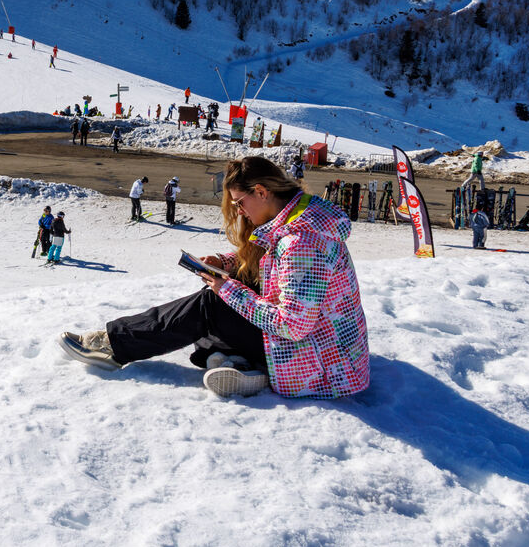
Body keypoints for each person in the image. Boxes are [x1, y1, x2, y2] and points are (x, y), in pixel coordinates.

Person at [59, 156, 370, 400]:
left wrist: (227, 290)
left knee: (212, 305)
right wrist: (226, 263)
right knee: (220, 300)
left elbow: (293, 325)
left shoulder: (300, 242)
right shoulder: (299, 218)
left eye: (240, 203)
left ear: (261, 192)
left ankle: (114, 345)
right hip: (329, 353)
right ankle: (240, 364)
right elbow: (275, 264)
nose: (240, 211)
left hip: (322, 368)